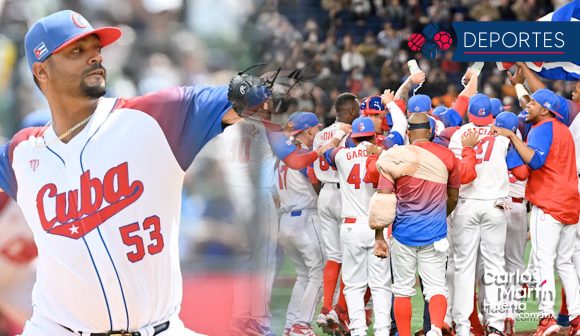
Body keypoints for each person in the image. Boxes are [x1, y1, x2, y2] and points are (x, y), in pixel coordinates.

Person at [4, 9, 287, 335]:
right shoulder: (22, 154)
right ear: (42, 71)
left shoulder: (151, 118)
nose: (95, 57)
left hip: (159, 328)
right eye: (76, 51)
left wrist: (265, 90)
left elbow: (232, 97)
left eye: (96, 48)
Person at [492, 89, 580, 336]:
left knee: (543, 262)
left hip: (550, 203)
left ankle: (546, 318)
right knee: (565, 263)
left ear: (546, 110)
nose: (528, 105)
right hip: (570, 202)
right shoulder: (562, 130)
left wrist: (510, 134)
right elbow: (529, 167)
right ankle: (577, 318)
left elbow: (535, 160)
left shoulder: (542, 128)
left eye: (533, 103)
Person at [370, 112, 461, 336]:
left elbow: (383, 198)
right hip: (436, 233)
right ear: (430, 132)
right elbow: (453, 198)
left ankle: (403, 333)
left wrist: (379, 237)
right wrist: (440, 215)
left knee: (402, 290)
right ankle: (436, 330)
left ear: (408, 133)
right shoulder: (448, 157)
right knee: (436, 288)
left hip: (403, 234)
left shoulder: (396, 155)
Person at [448, 94, 528, 336]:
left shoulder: (458, 134)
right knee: (495, 266)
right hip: (495, 205)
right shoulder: (502, 134)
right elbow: (521, 171)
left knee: (464, 267)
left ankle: (462, 326)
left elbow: (456, 172)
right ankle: (495, 324)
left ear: (470, 114)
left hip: (467, 205)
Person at [324, 114, 392, 336]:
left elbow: (327, 151)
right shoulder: (383, 155)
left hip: (351, 227)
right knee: (381, 284)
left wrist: (340, 134)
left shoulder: (342, 155)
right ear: (373, 136)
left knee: (353, 285)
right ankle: (382, 331)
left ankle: (358, 331)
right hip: (378, 227)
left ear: (354, 137)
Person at [312, 93, 358, 333]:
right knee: (351, 256)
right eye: (358, 108)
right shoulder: (351, 133)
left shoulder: (320, 134)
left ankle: (325, 308)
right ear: (350, 110)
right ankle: (339, 311)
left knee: (333, 256)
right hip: (345, 195)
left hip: (324, 194)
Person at [276, 112, 325, 336]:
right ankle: (301, 324)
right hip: (305, 217)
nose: (317, 132)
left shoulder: (281, 157)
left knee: (304, 275)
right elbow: (315, 182)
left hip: (285, 220)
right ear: (307, 131)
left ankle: (290, 325)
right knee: (319, 273)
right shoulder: (304, 153)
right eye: (315, 128)